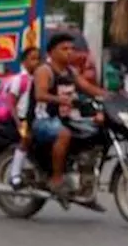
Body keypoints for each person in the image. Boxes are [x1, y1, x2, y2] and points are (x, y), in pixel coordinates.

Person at [32, 31, 106, 194]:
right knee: (64, 134)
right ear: (52, 52)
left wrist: (109, 96)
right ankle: (56, 179)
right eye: (64, 49)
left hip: (67, 118)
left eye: (71, 49)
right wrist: (62, 100)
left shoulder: (71, 71)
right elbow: (40, 94)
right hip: (44, 119)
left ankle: (85, 175)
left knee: (97, 129)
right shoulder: (45, 70)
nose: (69, 52)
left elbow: (88, 88)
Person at [0, 47, 41, 188]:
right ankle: (15, 175)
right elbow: (11, 102)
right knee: (25, 139)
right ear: (24, 62)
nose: (36, 62)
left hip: (34, 118)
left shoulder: (37, 78)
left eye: (38, 59)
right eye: (33, 59)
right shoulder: (20, 80)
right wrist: (18, 123)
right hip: (21, 119)